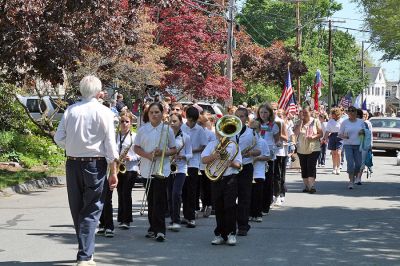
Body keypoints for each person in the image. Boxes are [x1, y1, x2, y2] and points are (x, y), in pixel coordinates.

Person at [54, 75, 119, 266]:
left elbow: (58, 138)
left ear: (81, 90)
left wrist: (73, 145)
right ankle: (85, 255)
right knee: (92, 208)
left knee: (77, 208)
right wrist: (113, 171)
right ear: (99, 92)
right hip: (95, 163)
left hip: (73, 162)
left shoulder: (71, 110)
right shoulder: (105, 112)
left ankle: (86, 251)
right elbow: (110, 145)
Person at [133, 102, 176, 241]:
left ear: (162, 113)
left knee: (159, 200)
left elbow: (174, 149)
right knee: (151, 200)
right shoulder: (142, 129)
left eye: (157, 112)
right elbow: (136, 148)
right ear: (148, 113)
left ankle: (160, 230)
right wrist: (147, 155)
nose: (154, 114)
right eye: (151, 112)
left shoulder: (167, 129)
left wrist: (163, 152)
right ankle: (152, 227)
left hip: (162, 169)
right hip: (146, 168)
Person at [98, 111, 139, 237]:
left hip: (130, 168)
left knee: (125, 194)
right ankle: (104, 223)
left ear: (131, 123)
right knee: (107, 196)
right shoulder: (114, 136)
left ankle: (125, 220)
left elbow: (139, 153)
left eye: (127, 122)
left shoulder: (134, 137)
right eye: (122, 121)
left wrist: (131, 158)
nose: (124, 124)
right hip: (114, 168)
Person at [201, 128, 243, 246]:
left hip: (230, 178)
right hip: (216, 178)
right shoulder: (211, 145)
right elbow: (203, 159)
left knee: (230, 206)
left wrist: (229, 162)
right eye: (219, 132)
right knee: (218, 207)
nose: (221, 134)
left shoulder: (234, 145)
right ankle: (219, 234)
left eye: (225, 132)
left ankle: (231, 234)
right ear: (216, 132)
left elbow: (239, 164)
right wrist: (214, 156)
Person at [233, 107, 261, 236]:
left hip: (246, 166)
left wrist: (250, 152)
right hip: (231, 167)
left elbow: (259, 150)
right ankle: (230, 224)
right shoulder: (229, 131)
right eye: (236, 116)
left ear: (246, 118)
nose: (239, 119)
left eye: (242, 116)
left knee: (244, 196)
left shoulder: (252, 133)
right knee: (231, 196)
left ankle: (243, 225)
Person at [181, 106, 208, 228]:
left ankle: (191, 217)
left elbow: (204, 146)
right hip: (182, 163)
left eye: (193, 121)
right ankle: (185, 215)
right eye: (190, 120)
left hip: (194, 163)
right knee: (183, 191)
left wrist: (191, 150)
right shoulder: (182, 127)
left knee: (192, 191)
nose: (191, 123)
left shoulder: (200, 130)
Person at [167, 113, 192, 232]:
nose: (172, 123)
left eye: (175, 121)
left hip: (181, 169)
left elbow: (190, 154)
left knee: (176, 193)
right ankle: (172, 219)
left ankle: (176, 220)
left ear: (180, 123)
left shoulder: (185, 137)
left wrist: (183, 157)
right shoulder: (166, 136)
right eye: (170, 121)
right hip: (168, 168)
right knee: (169, 195)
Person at [256, 103, 279, 214]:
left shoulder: (274, 125)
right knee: (257, 181)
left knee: (268, 181)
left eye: (265, 112)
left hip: (268, 155)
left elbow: (276, 140)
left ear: (270, 113)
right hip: (256, 154)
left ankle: (265, 205)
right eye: (261, 112)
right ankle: (257, 205)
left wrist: (277, 145)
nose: (263, 114)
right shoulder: (255, 123)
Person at [294, 107, 323, 194]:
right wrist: (301, 122)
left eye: (305, 112)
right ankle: (306, 186)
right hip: (301, 148)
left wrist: (313, 137)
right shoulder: (298, 122)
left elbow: (320, 134)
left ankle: (311, 186)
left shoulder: (315, 121)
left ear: (310, 112)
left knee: (311, 166)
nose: (304, 114)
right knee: (304, 167)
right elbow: (295, 133)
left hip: (314, 148)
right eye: (302, 112)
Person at [249, 120, 270, 222]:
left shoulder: (262, 142)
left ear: (259, 130)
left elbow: (267, 156)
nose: (253, 130)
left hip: (258, 172)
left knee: (257, 195)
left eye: (255, 129)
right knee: (248, 195)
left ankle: (258, 214)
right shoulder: (247, 141)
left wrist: (257, 158)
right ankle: (249, 214)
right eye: (251, 128)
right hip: (248, 172)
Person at [338, 106, 365, 189]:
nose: (351, 113)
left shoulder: (361, 122)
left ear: (356, 113)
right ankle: (351, 181)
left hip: (358, 145)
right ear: (348, 113)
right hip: (348, 145)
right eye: (349, 111)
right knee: (350, 164)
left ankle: (355, 176)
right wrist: (344, 136)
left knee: (358, 164)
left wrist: (362, 134)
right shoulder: (344, 122)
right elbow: (339, 134)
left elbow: (364, 133)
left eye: (353, 111)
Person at [323, 108, 343, 174]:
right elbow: (327, 130)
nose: (331, 115)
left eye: (333, 114)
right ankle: (334, 167)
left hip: (340, 136)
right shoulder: (330, 121)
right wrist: (325, 138)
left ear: (336, 114)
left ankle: (338, 167)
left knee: (338, 152)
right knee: (334, 153)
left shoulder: (342, 121)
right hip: (332, 136)